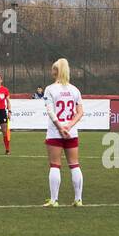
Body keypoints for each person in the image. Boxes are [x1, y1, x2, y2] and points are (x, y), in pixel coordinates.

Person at [41, 58, 84, 207]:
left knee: (55, 165)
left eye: (53, 69)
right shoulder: (75, 89)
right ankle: (78, 199)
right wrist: (69, 126)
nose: (52, 72)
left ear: (57, 71)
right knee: (74, 164)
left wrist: (60, 128)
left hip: (55, 132)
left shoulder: (50, 89)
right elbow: (80, 112)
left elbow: (50, 111)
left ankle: (54, 200)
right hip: (71, 132)